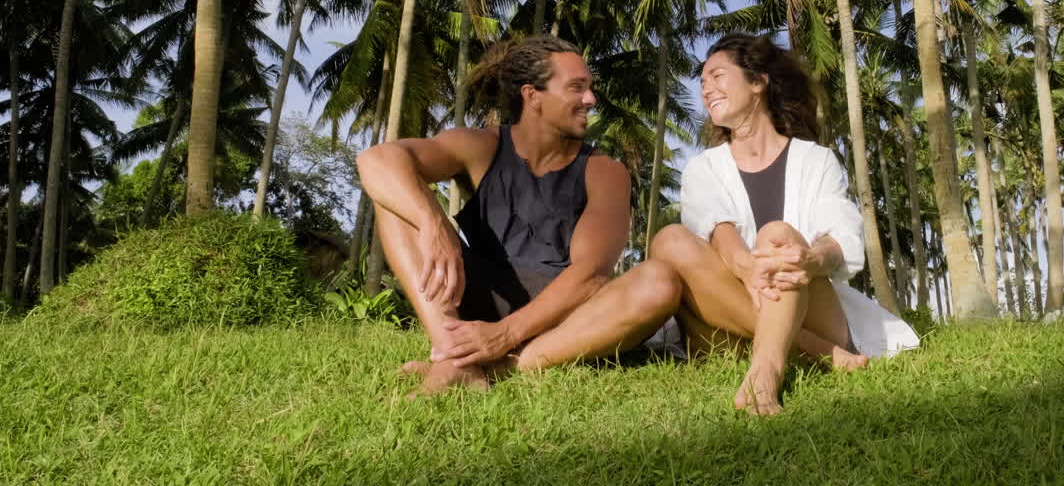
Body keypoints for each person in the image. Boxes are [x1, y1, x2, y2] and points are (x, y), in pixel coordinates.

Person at [357, 36, 682, 397]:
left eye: (589, 88)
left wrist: (506, 335)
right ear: (532, 96)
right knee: (396, 200)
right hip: (480, 292)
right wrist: (434, 224)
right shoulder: (482, 146)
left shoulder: (604, 171)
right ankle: (453, 352)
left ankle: (495, 366)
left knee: (659, 281)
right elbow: (377, 160)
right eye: (577, 88)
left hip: (563, 318)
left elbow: (589, 276)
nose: (590, 100)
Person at [649, 33, 919, 415]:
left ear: (758, 82)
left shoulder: (816, 160)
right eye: (703, 81)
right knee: (671, 239)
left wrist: (812, 258)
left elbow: (839, 231)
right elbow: (717, 230)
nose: (706, 89)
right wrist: (747, 269)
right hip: (728, 320)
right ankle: (821, 353)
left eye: (718, 76)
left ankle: (768, 367)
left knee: (777, 236)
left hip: (812, 304)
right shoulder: (703, 168)